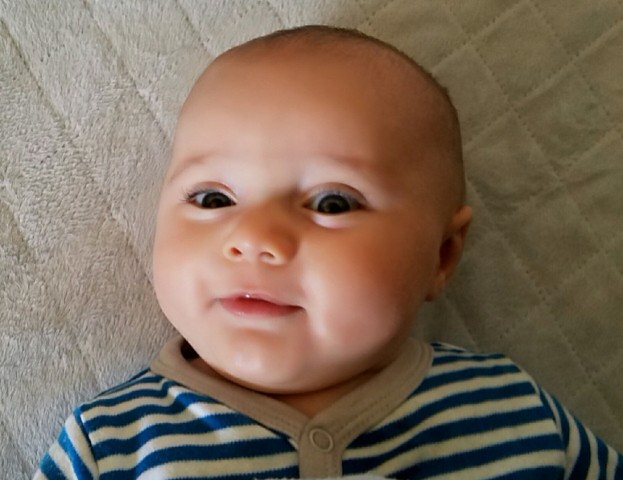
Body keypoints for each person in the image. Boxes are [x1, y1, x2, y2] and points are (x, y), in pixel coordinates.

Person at [35, 25, 623, 479]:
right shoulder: (110, 443)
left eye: (333, 203)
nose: (255, 238)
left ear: (442, 256)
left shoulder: (512, 409)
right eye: (213, 198)